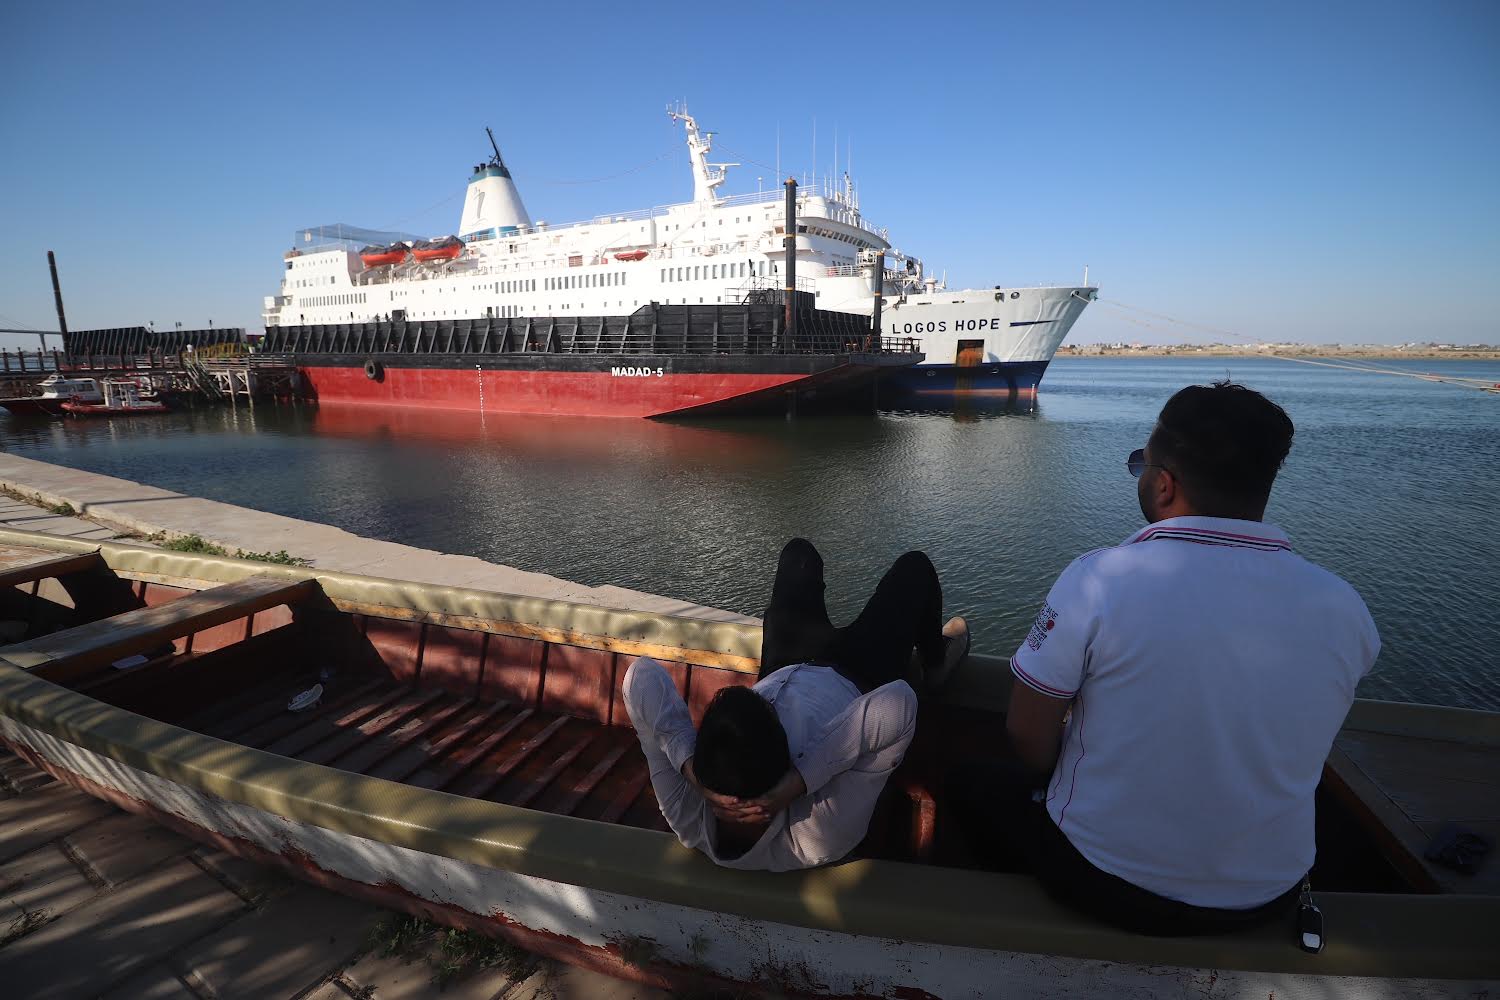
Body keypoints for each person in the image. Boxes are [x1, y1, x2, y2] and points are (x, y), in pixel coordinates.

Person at [960, 381, 1380, 935]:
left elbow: (1026, 734)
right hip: (1268, 895)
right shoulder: (1345, 608)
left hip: (1102, 880)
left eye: (1143, 465)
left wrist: (1057, 770)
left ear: (1163, 486)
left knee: (969, 787)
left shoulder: (1099, 579)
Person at [623, 538, 969, 871]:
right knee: (914, 567)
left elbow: (641, 676)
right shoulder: (816, 836)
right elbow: (900, 703)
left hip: (787, 663)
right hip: (858, 673)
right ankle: (936, 666)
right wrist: (799, 782)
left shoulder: (687, 812)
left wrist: (691, 773)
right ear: (787, 757)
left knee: (799, 555)